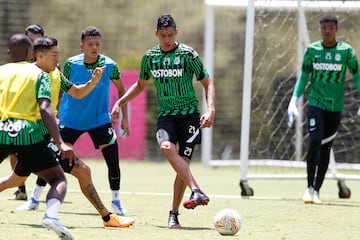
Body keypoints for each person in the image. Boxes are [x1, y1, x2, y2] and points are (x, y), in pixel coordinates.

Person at [15, 36, 134, 228]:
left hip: (77, 128)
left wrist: (95, 82)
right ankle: (44, 209)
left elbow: (77, 92)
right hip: (44, 132)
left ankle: (109, 211)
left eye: (58, 54)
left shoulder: (58, 74)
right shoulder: (38, 74)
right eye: (54, 55)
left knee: (20, 178)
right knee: (50, 175)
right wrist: (59, 133)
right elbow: (46, 106)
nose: (57, 59)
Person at [111, 13, 216, 228]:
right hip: (166, 116)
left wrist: (211, 109)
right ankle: (196, 190)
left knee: (182, 166)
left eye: (170, 35)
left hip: (189, 116)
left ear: (176, 32)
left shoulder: (189, 55)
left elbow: (207, 83)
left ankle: (174, 214)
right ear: (156, 34)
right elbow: (140, 85)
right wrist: (120, 102)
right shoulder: (149, 58)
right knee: (166, 147)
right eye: (162, 35)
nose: (166, 39)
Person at [0, 33, 75, 239]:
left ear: (8, 52)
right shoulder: (38, 74)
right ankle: (51, 216)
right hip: (28, 133)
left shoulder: (1, 71)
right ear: (30, 53)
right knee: (58, 178)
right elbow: (45, 107)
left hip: (1, 130)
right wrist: (59, 142)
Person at [287, 14, 360, 204]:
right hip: (316, 103)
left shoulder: (346, 52)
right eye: (324, 28)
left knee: (326, 147)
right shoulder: (312, 51)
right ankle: (308, 187)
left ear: (336, 29)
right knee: (315, 140)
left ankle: (317, 190)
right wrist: (293, 100)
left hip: (335, 107)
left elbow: (357, 76)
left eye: (330, 28)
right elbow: (303, 77)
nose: (327, 31)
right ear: (320, 29)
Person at [57, 26, 130, 216]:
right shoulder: (71, 64)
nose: (94, 47)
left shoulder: (110, 65)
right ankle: (34, 197)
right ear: (82, 46)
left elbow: (123, 91)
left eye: (97, 44)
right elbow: (61, 88)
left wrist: (125, 118)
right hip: (71, 120)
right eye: (90, 44)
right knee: (55, 157)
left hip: (99, 121)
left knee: (113, 160)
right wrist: (55, 112)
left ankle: (116, 201)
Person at [7, 24, 45, 201]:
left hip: (40, 118)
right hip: (16, 118)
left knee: (43, 157)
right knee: (14, 153)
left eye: (36, 39)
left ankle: (37, 193)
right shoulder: (15, 65)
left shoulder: (47, 61)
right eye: (30, 39)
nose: (33, 42)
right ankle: (21, 189)